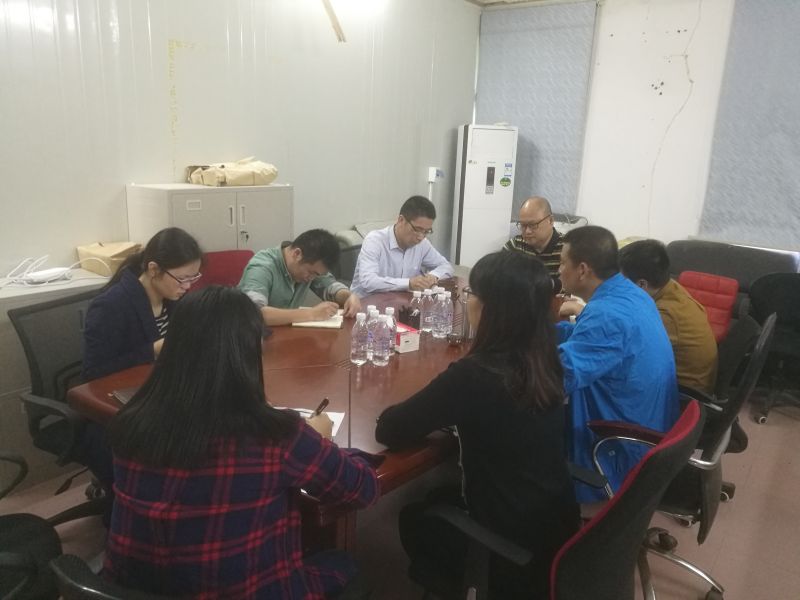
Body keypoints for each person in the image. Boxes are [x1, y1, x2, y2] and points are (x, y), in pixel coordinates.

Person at [105, 286, 380, 598]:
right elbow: (362, 489)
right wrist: (320, 440)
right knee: (344, 563)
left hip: (127, 591)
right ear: (247, 356)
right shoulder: (276, 436)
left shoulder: (131, 422)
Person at [375, 251, 580, 599]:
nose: (468, 301)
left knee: (414, 516)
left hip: (509, 552)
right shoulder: (546, 358)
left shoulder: (476, 374)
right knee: (437, 495)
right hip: (555, 529)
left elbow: (390, 430)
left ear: (491, 308)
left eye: (472, 294)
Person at [556, 226, 679, 502]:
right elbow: (588, 340)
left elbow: (553, 379)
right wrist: (543, 332)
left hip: (622, 442)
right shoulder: (629, 292)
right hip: (648, 420)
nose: (559, 270)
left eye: (563, 263)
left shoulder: (606, 316)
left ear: (582, 270)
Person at [82, 227, 203, 381]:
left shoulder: (174, 296)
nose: (187, 286)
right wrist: (153, 350)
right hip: (130, 388)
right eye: (182, 278)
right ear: (153, 269)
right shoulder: (111, 306)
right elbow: (93, 373)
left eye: (193, 278)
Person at [619, 239, 718, 394]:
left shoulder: (666, 315)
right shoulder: (669, 287)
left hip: (682, 394)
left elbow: (625, 353)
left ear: (641, 284)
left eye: (620, 281)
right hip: (676, 379)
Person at [238, 229, 361, 326]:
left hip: (284, 335)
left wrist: (348, 296)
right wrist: (311, 314)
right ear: (297, 254)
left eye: (316, 275)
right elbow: (254, 314)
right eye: (311, 272)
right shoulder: (262, 266)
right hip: (253, 340)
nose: (311, 278)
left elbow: (330, 286)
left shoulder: (310, 266)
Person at [350, 196, 453, 297]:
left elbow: (446, 266)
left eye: (426, 231)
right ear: (401, 220)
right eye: (417, 229)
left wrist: (432, 276)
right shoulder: (375, 240)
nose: (421, 237)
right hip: (366, 303)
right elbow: (368, 281)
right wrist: (409, 283)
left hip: (400, 301)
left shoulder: (422, 244)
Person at [503, 196, 563, 285]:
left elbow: (572, 287)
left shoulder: (567, 248)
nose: (527, 231)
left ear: (550, 221)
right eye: (523, 225)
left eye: (533, 225)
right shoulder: (515, 246)